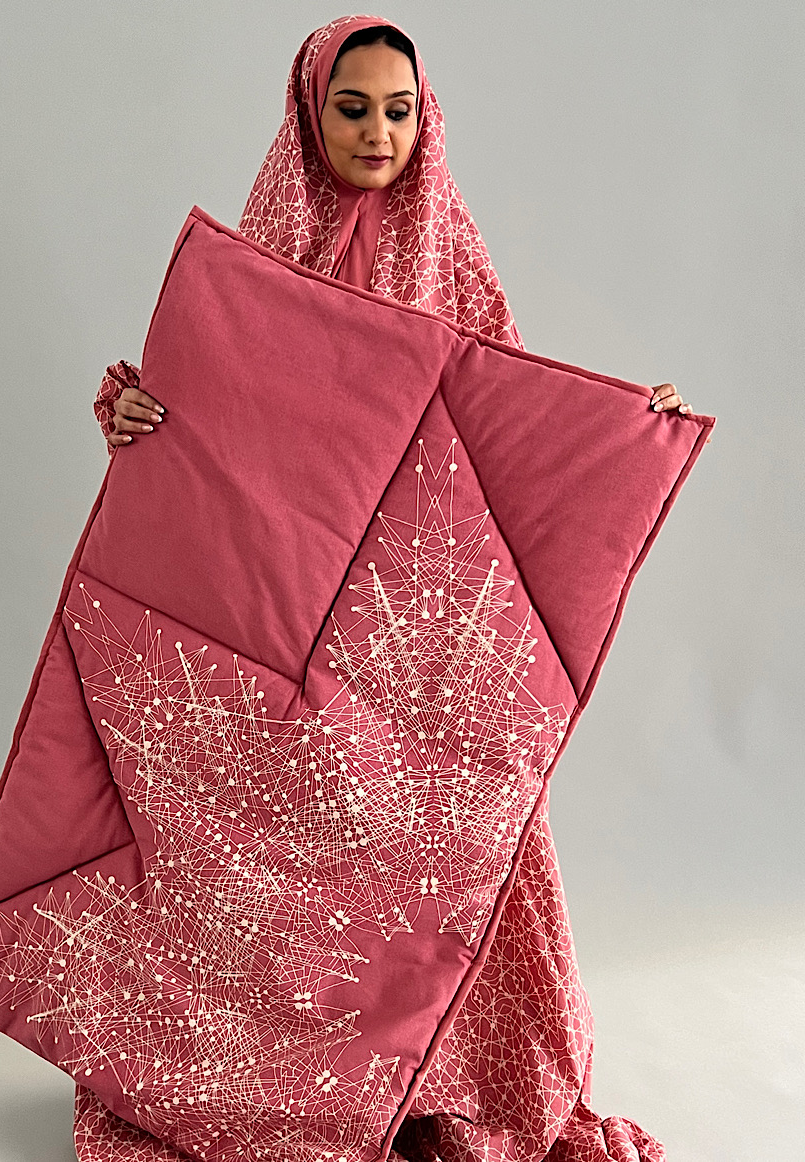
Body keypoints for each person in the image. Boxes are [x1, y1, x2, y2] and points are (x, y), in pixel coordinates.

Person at [84, 15, 679, 1161]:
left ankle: (435, 1087)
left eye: (399, 110)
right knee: (283, 856)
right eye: (351, 108)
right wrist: (133, 411)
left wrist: (624, 422)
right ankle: (284, 1091)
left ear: (426, 118)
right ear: (310, 114)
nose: (377, 132)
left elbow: (512, 409)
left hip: (412, 621)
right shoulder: (260, 257)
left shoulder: (448, 251)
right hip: (288, 607)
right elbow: (212, 412)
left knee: (458, 842)